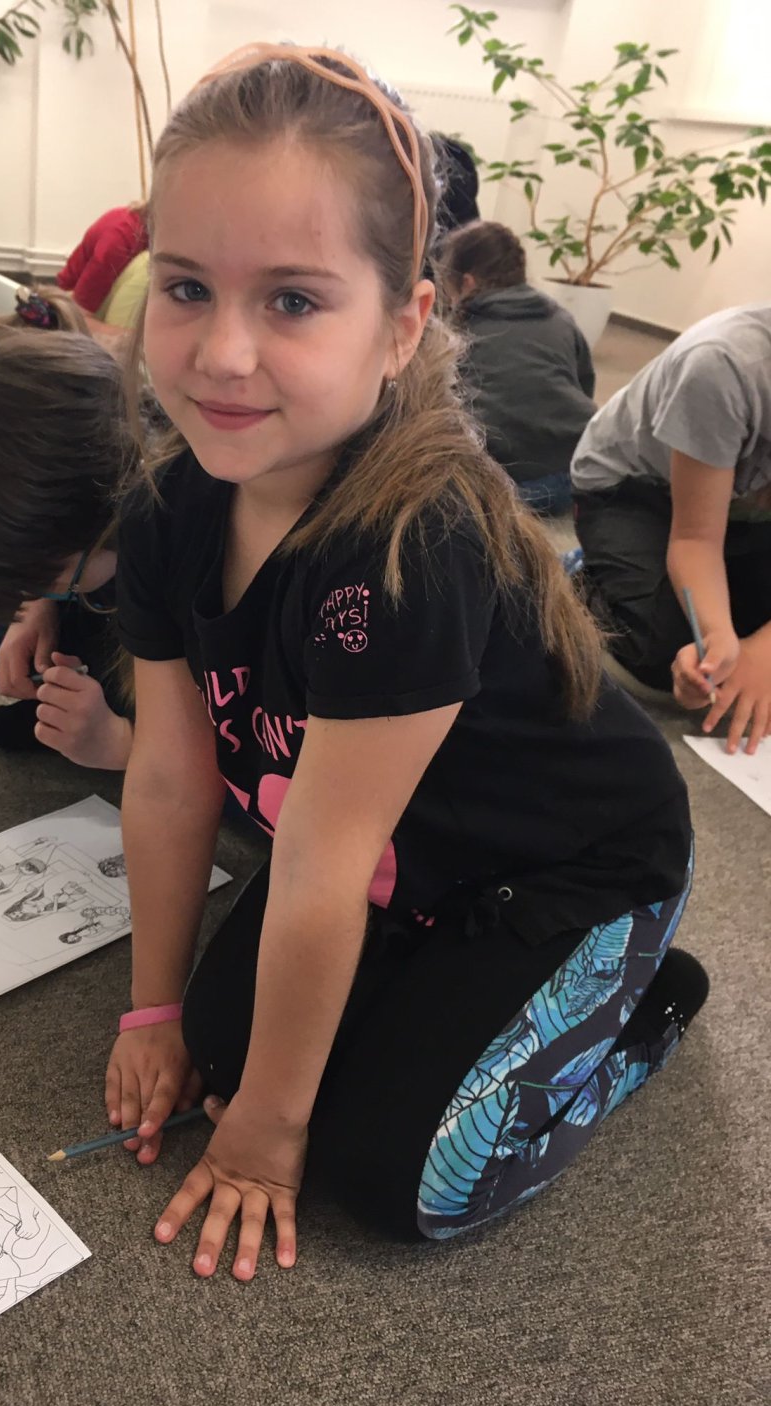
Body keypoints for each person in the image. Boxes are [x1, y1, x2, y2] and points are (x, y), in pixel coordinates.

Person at [104, 42, 706, 1282]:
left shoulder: (410, 549)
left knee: (398, 1177)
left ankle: (643, 1000)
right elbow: (168, 778)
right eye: (186, 287)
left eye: (292, 301)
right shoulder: (171, 504)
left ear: (401, 327)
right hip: (399, 856)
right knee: (222, 1045)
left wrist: (271, 1137)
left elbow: (322, 865)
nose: (221, 354)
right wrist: (153, 1011)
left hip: (574, 867)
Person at [0, 329, 136, 769]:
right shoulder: (90, 510)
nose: (36, 591)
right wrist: (38, 601)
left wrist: (122, 745)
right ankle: (88, 709)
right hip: (103, 577)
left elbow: (256, 748)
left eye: (47, 580)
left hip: (209, 672)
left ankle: (114, 715)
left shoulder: (193, 548)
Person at [572, 304, 771, 752]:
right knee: (665, 654)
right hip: (637, 488)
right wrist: (718, 636)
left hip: (744, 511)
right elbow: (695, 539)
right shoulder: (723, 364)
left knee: (745, 634)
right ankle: (588, 577)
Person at [439, 220, 596, 515]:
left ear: (467, 283)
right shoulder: (560, 318)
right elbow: (584, 383)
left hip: (505, 485)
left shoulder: (458, 332)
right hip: (576, 471)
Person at [53, 202, 149, 319]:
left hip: (77, 300)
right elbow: (78, 316)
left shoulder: (132, 220)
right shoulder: (119, 241)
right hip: (67, 303)